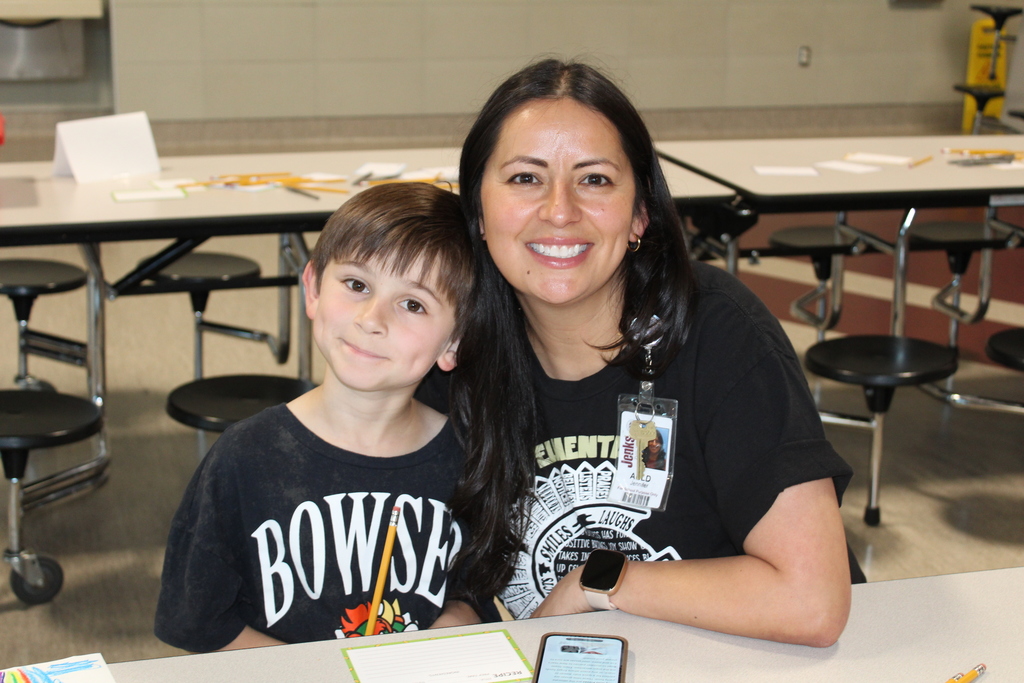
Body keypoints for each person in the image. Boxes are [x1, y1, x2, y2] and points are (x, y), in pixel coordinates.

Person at [423, 59, 857, 648]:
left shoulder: (718, 330)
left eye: (595, 179)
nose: (558, 209)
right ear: (477, 210)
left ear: (639, 215)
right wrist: (456, 616)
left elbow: (813, 603)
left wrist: (596, 582)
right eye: (525, 178)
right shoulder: (450, 347)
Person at [155, 183, 484, 653]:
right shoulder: (245, 457)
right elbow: (198, 619)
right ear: (312, 287)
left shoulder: (468, 462)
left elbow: (474, 592)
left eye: (413, 304)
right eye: (357, 285)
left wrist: (457, 617)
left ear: (455, 343)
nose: (373, 319)